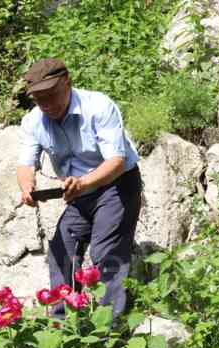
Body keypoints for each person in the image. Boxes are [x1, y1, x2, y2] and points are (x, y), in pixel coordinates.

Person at [16, 58, 142, 324]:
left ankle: (109, 329)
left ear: (68, 82)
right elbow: (25, 163)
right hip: (78, 193)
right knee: (61, 251)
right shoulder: (33, 121)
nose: (47, 105)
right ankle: (64, 327)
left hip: (116, 183)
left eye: (52, 95)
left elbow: (117, 161)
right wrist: (27, 187)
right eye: (40, 99)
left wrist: (83, 184)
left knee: (105, 252)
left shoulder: (98, 106)